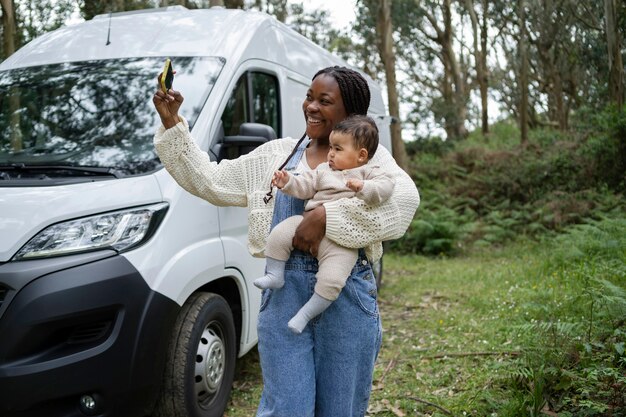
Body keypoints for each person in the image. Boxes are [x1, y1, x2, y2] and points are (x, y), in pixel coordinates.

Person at [153, 65, 420, 417]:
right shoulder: (275, 156)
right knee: (287, 409)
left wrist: (326, 218)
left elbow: (404, 203)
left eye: (324, 100)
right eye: (309, 97)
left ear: (350, 113)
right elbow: (210, 180)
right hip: (283, 300)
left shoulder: (372, 160)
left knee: (340, 410)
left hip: (346, 296)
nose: (311, 106)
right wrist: (173, 124)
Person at [254, 115, 395, 334]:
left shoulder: (369, 172)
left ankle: (306, 314)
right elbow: (305, 185)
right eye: (330, 147)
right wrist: (288, 181)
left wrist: (364, 187)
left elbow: (385, 189)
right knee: (279, 233)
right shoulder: (323, 170)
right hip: (306, 223)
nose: (330, 153)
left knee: (333, 279)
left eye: (338, 149)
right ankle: (275, 274)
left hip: (342, 242)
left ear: (361, 155)